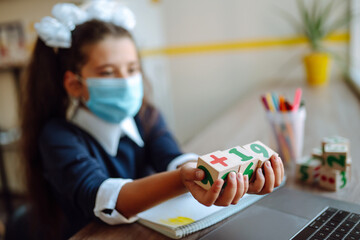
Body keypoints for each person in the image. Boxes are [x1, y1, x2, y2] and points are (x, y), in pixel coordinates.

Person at [18, 1, 284, 239]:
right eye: (108, 72)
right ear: (75, 84)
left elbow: (171, 155)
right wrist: (185, 179)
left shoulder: (146, 115)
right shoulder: (57, 136)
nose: (126, 81)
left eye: (132, 69)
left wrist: (213, 176)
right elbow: (103, 198)